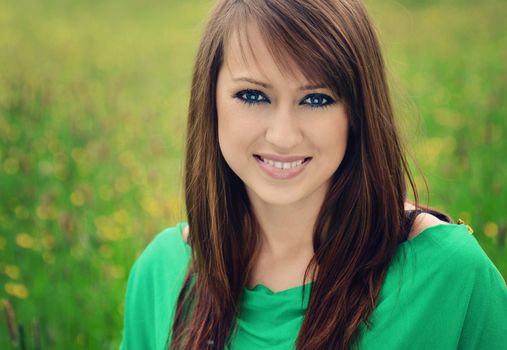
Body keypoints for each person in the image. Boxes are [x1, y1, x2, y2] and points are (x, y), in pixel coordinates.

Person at [119, 0, 507, 349]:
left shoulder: (450, 276)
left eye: (316, 99)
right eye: (253, 95)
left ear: (356, 112)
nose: (283, 136)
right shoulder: (162, 270)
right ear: (211, 100)